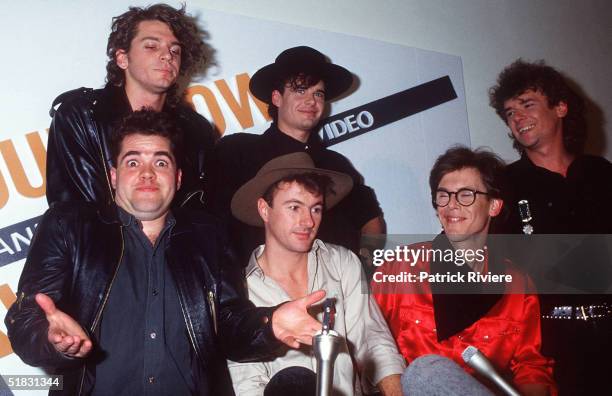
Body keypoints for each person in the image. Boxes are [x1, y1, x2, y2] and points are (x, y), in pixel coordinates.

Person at [5, 110, 326, 396]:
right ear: (113, 175)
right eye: (133, 162)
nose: (147, 173)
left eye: (160, 162)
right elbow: (25, 319)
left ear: (178, 177)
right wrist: (48, 337)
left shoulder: (210, 235)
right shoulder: (69, 227)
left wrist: (269, 323)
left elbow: (230, 327)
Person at [373, 147, 556, 396]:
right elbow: (369, 342)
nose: (451, 206)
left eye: (466, 195)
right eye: (443, 196)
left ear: (494, 206)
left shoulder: (518, 285)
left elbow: (530, 366)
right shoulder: (401, 268)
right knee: (425, 371)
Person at [227, 152, 405, 395]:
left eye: (316, 209)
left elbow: (373, 341)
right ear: (264, 209)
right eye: (294, 207)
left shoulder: (342, 263)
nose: (308, 221)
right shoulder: (240, 291)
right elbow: (248, 385)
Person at [489, 59, 612, 394]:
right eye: (510, 112)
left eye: (527, 105)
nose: (517, 118)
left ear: (560, 107)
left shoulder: (601, 173)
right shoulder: (503, 186)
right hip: (549, 346)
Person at [209, 46, 384, 265]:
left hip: (334, 291)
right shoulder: (236, 152)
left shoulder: (337, 165)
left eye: (318, 93)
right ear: (276, 97)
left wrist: (364, 266)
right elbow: (212, 225)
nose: (311, 101)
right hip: (261, 292)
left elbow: (371, 221)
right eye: (300, 90)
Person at [46, 3, 216, 209]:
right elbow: (75, 213)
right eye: (152, 46)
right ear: (123, 58)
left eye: (175, 50)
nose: (167, 56)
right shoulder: (82, 115)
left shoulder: (196, 130)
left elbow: (202, 214)